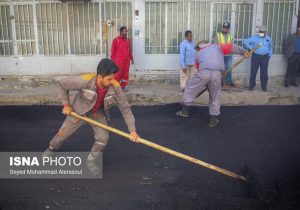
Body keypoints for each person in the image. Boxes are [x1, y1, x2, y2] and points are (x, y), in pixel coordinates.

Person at [43, 59, 139, 176]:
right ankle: (52, 148)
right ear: (99, 77)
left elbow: (125, 108)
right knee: (61, 135)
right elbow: (63, 84)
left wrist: (132, 131)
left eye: (113, 78)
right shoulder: (85, 80)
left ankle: (91, 161)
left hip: (97, 113)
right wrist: (66, 104)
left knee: (103, 137)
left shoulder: (115, 86)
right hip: (78, 111)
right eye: (109, 79)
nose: (112, 81)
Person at [176, 41, 248, 127]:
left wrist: (204, 83)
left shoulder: (198, 54)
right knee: (215, 96)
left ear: (200, 46)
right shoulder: (218, 47)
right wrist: (244, 52)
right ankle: (213, 120)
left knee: (190, 89)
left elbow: (198, 69)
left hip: (203, 74)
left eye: (197, 48)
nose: (197, 50)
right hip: (217, 75)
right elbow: (232, 47)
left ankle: (184, 111)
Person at [243, 25, 272, 91]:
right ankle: (251, 86)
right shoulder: (254, 37)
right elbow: (245, 42)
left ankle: (264, 87)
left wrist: (269, 55)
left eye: (263, 32)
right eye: (260, 31)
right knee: (253, 71)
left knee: (264, 72)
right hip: (256, 57)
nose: (261, 33)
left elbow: (270, 46)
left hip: (265, 57)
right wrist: (251, 48)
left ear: (265, 32)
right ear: (259, 32)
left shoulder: (268, 38)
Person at [111, 26, 134, 90]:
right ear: (121, 32)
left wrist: (131, 59)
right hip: (119, 61)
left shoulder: (128, 40)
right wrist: (113, 61)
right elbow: (113, 52)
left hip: (127, 61)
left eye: (127, 31)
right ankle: (116, 88)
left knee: (125, 74)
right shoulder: (116, 40)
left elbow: (129, 50)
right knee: (118, 74)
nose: (126, 33)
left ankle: (123, 87)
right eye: (125, 31)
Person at [214, 22, 234, 88]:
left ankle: (228, 82)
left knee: (229, 68)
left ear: (228, 29)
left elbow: (232, 46)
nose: (225, 29)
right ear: (222, 27)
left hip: (228, 56)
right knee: (220, 69)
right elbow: (215, 45)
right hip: (220, 55)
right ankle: (220, 82)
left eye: (226, 28)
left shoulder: (230, 36)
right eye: (224, 27)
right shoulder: (218, 35)